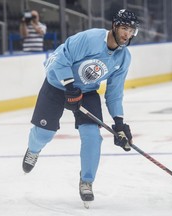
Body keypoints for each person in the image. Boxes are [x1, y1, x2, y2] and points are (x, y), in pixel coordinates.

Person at [22, 9, 139, 205]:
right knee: (44, 133)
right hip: (57, 85)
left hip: (86, 92)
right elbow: (60, 59)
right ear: (115, 26)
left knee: (93, 136)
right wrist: (69, 86)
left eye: (132, 31)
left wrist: (119, 122)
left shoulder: (123, 57)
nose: (127, 35)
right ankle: (33, 150)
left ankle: (86, 181)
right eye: (125, 29)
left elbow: (114, 92)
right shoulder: (90, 38)